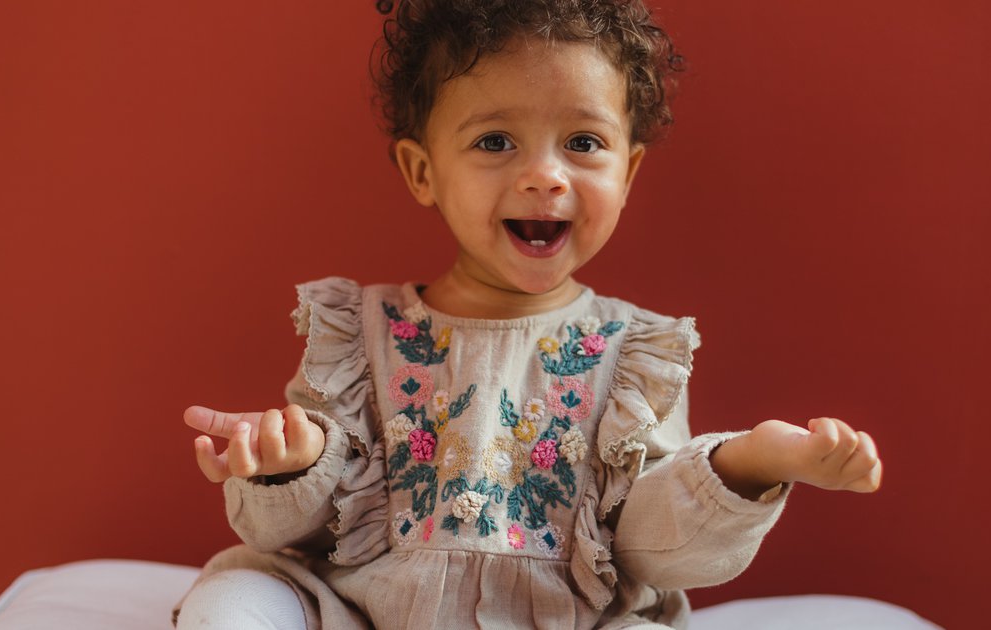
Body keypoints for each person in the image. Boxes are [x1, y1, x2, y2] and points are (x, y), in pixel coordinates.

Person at [174, 1, 882, 628]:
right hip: (360, 613)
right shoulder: (360, 335)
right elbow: (299, 532)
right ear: (423, 172)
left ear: (627, 174)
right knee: (235, 595)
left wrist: (747, 465)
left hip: (567, 620)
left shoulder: (634, 354)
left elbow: (657, 552)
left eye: (583, 143)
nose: (545, 175)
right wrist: (287, 466)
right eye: (495, 141)